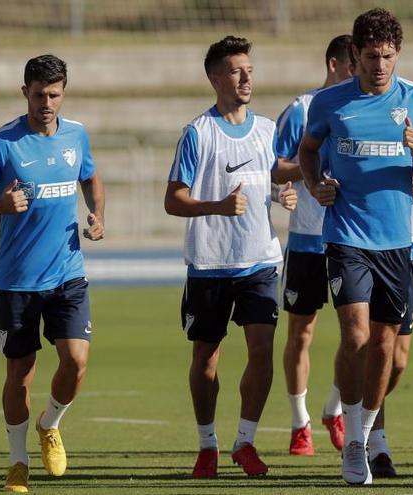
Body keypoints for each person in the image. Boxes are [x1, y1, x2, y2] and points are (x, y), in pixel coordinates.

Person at [298, 7, 413, 485]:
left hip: (397, 244)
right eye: (369, 57)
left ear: (397, 54)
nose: (379, 66)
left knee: (386, 344)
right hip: (346, 237)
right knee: (356, 336)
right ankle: (356, 443)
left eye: (387, 57)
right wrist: (316, 180)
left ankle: (362, 433)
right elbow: (307, 150)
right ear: (354, 56)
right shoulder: (330, 104)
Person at [0, 54, 105, 493]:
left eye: (54, 95)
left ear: (63, 93)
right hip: (18, 281)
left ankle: (50, 423)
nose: (46, 103)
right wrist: (0, 205)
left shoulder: (77, 135)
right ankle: (17, 462)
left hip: (69, 273)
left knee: (76, 361)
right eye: (38, 94)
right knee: (20, 373)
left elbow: (91, 180)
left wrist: (96, 215)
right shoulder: (3, 144)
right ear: (25, 92)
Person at [164, 35, 296, 479]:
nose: (246, 78)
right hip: (210, 263)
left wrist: (285, 191)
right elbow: (174, 200)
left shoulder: (266, 129)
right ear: (215, 77)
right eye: (237, 70)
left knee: (262, 348)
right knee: (206, 358)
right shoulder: (197, 134)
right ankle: (207, 445)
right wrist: (216, 206)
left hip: (260, 261)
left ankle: (246, 441)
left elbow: (272, 175)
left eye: (250, 70)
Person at [273, 34, 354, 456]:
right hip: (307, 238)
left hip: (351, 238)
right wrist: (308, 174)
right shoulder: (303, 108)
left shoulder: (362, 107)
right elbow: (277, 163)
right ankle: (299, 421)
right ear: (335, 64)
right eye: (353, 64)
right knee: (301, 332)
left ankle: (334, 409)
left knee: (353, 331)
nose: (360, 73)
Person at [367, 167, 413, 478]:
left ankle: (355, 398)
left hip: (409, 247)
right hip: (367, 242)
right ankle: (376, 444)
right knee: (376, 345)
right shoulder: (364, 118)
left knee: (398, 360)